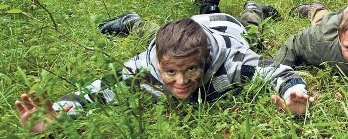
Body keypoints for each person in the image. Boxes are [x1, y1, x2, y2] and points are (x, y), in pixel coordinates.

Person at [15, 13, 312, 134]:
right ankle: (133, 21)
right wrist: (57, 112)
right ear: (156, 62)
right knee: (152, 32)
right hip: (181, 29)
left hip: (227, 25)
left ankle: (253, 9)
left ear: (205, 60)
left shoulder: (233, 62)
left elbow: (279, 72)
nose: (181, 82)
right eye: (169, 71)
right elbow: (97, 90)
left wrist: (293, 93)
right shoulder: (142, 67)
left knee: (253, 32)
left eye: (191, 69)